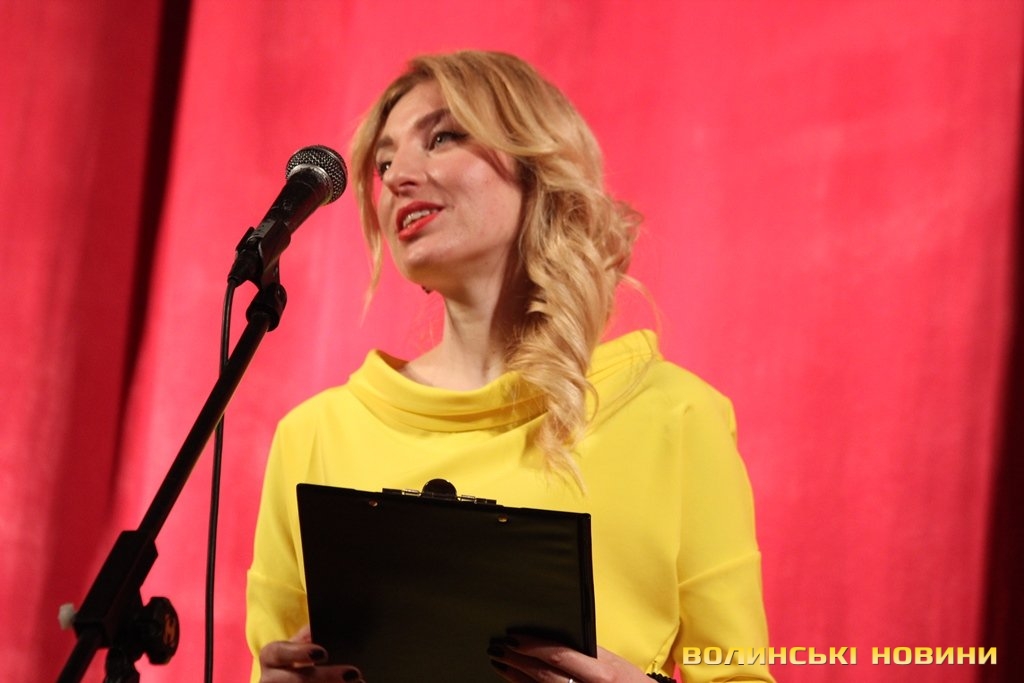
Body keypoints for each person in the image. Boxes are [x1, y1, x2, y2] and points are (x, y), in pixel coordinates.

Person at [246, 50, 775, 683]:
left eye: (443, 137)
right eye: (383, 164)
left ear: (536, 166)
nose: (398, 177)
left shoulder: (675, 416)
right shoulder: (313, 436)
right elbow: (272, 663)